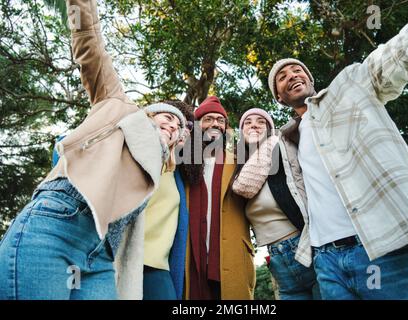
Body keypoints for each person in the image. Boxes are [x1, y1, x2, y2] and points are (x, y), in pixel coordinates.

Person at [0, 0, 185, 300]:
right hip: (57, 223)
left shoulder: (159, 168)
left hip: (98, 256)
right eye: (168, 117)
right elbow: (90, 46)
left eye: (179, 127)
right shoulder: (119, 106)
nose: (174, 126)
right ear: (149, 115)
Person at [267, 0, 408, 299]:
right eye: (283, 76)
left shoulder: (350, 87)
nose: (292, 75)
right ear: (278, 96)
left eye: (297, 70)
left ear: (310, 79)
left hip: (384, 249)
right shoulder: (286, 140)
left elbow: (399, 53)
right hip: (327, 263)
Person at [232, 108, 321, 300]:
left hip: (303, 245)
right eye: (247, 122)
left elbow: (244, 187)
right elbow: (243, 187)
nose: (254, 124)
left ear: (270, 130)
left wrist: (273, 140)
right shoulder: (238, 166)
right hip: (276, 258)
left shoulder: (283, 151)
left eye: (261, 121)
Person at [184, 96, 255, 300]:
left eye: (220, 120)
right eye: (208, 119)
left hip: (230, 256)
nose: (215, 123)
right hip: (191, 261)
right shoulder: (184, 166)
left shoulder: (240, 162)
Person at [142, 100, 195, 300]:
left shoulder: (174, 171)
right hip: (120, 259)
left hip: (158, 266)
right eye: (168, 118)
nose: (176, 126)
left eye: (183, 126)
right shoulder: (129, 151)